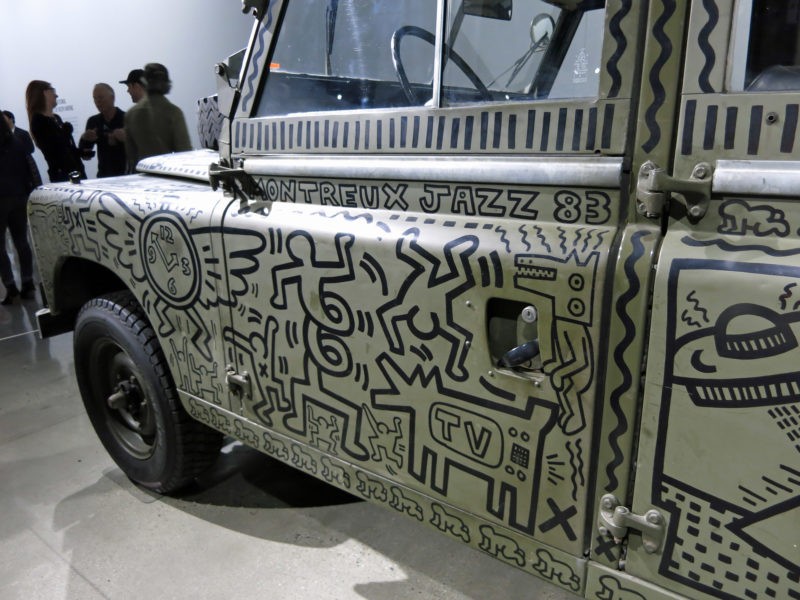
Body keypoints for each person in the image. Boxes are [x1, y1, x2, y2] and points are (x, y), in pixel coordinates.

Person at [124, 63, 192, 172]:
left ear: (145, 82)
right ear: (167, 83)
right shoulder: (174, 112)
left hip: (141, 177)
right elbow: (185, 154)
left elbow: (131, 157)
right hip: (167, 177)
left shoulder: (131, 114)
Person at [0, 113, 36, 304]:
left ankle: (10, 287)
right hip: (19, 196)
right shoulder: (17, 141)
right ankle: (28, 283)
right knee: (21, 241)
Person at [26, 80, 86, 183]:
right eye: (53, 90)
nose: (56, 95)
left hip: (76, 173)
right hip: (63, 177)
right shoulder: (39, 121)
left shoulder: (56, 118)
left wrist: (82, 152)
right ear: (44, 93)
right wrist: (66, 131)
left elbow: (67, 148)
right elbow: (55, 149)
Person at [78, 83, 127, 177]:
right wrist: (85, 139)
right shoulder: (93, 121)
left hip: (127, 175)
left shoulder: (127, 118)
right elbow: (86, 156)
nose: (97, 102)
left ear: (112, 98)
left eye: (100, 97)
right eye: (95, 98)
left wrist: (125, 139)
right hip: (104, 176)